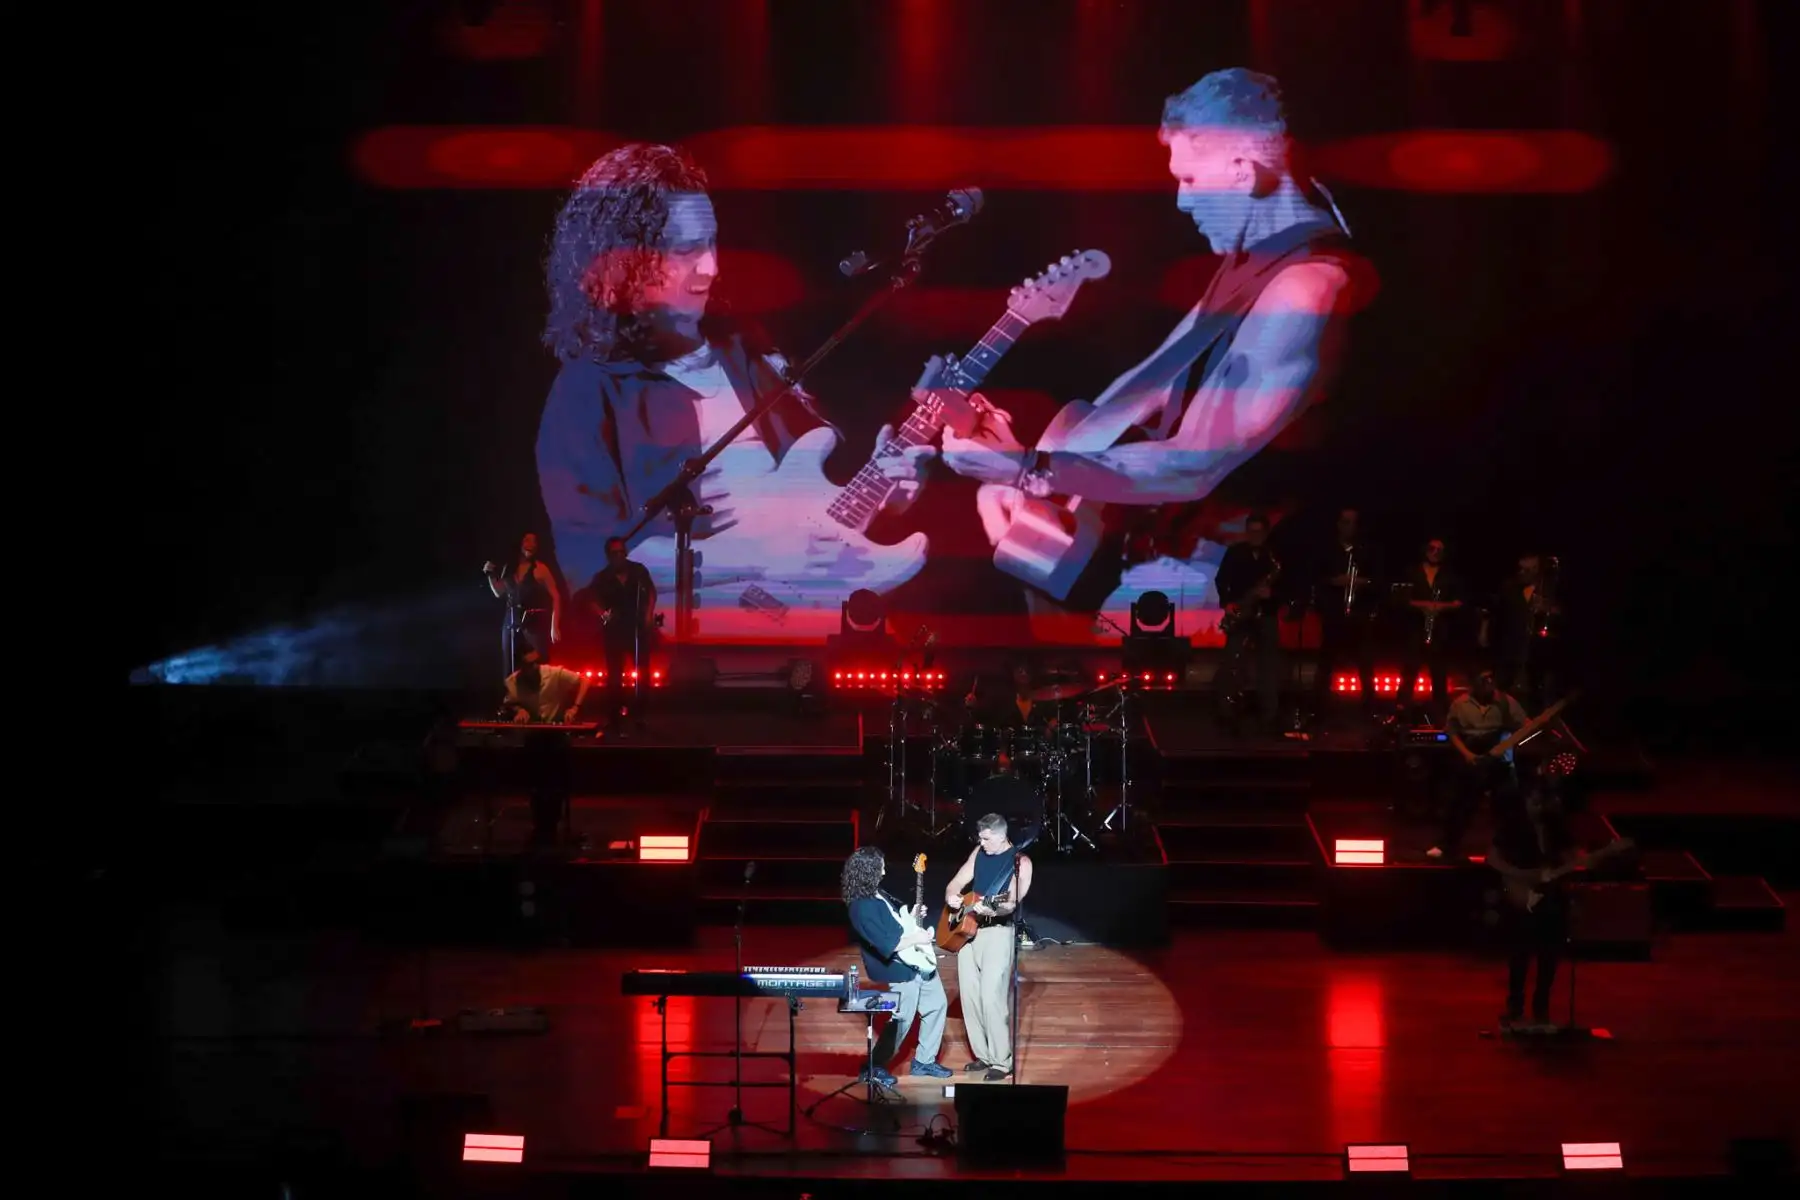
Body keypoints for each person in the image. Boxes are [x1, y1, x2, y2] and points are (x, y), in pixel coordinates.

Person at [934, 68, 1363, 622]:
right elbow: (1142, 386)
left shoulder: (1307, 286)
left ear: (1240, 170)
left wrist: (1027, 469)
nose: (1182, 202)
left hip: (1226, 586)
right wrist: (1035, 481)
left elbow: (1194, 467)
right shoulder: (1256, 254)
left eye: (1189, 179)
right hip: (1159, 551)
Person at [534, 143, 931, 630]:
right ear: (623, 265)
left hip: (816, 618)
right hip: (695, 632)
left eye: (710, 243)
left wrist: (886, 495)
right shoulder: (586, 393)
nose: (710, 268)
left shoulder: (744, 347)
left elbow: (817, 510)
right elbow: (597, 563)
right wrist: (758, 558)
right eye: (685, 251)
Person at [1486, 753, 1583, 1031]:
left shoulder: (1556, 826)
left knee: (1549, 954)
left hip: (1551, 897)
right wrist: (1521, 875)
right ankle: (1515, 1009)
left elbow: (1571, 856)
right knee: (1520, 954)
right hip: (1521, 896)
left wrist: (1572, 865)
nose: (1538, 807)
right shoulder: (1513, 827)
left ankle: (1541, 1010)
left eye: (1542, 802)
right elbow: (1493, 858)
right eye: (1534, 801)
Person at [841, 846, 953, 1085]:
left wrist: (912, 915)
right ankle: (873, 1067)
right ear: (869, 870)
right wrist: (919, 938)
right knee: (902, 1020)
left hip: (915, 961)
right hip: (899, 968)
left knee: (936, 1006)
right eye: (880, 866)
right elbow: (887, 944)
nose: (883, 871)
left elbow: (895, 925)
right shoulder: (862, 906)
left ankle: (924, 1061)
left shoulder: (877, 894)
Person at [943, 813, 1035, 1082]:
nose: (982, 843)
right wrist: (953, 896)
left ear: (1000, 835)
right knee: (970, 997)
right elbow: (956, 882)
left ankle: (1002, 1061)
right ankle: (983, 1055)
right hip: (968, 930)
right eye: (980, 838)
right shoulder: (978, 852)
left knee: (991, 997)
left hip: (997, 932)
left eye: (986, 838)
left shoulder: (1021, 862)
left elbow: (1011, 901)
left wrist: (994, 909)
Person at [1429, 666, 1527, 860]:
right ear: (1473, 682)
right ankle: (1447, 846)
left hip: (1499, 759)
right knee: (1460, 804)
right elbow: (1452, 732)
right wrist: (1467, 754)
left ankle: (1510, 849)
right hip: (1472, 755)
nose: (1488, 683)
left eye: (1490, 678)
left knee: (1508, 805)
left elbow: (1524, 725)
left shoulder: (1506, 702)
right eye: (1483, 679)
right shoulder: (1460, 704)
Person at [501, 649, 592, 846]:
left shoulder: (554, 673)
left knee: (556, 785)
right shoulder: (512, 682)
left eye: (536, 663)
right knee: (535, 786)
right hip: (533, 739)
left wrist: (574, 707)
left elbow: (584, 680)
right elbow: (510, 704)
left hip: (555, 738)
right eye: (528, 664)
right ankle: (541, 829)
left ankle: (553, 828)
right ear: (521, 667)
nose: (534, 668)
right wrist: (519, 709)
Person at [1214, 512, 1283, 732]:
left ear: (1266, 532)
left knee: (1268, 667)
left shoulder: (1276, 555)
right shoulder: (1235, 553)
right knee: (1231, 666)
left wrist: (1272, 593)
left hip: (1266, 615)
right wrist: (1228, 603)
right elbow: (1221, 580)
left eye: (1259, 531)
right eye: (1251, 531)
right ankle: (1227, 714)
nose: (1255, 535)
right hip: (1241, 615)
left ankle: (1268, 717)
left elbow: (1289, 585)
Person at [1310, 507, 1378, 718]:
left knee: (1365, 662)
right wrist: (1334, 581)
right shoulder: (1326, 550)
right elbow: (1317, 578)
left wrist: (1358, 582)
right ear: (1338, 524)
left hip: (1359, 612)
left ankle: (1370, 709)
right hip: (1334, 612)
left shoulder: (1365, 550)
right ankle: (1320, 708)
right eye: (1344, 522)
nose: (1348, 527)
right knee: (1327, 662)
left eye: (1352, 523)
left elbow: (1378, 580)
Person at [586, 536, 657, 732]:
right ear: (609, 556)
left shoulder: (638, 571)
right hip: (615, 630)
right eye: (614, 553)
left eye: (621, 552)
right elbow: (591, 599)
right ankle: (614, 716)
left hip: (637, 628)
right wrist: (602, 614)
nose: (619, 556)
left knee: (643, 674)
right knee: (615, 676)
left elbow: (651, 592)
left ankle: (640, 715)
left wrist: (649, 614)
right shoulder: (603, 577)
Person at [1481, 553, 1561, 712]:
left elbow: (1564, 613)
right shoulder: (1509, 587)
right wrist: (1484, 632)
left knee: (1535, 692)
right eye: (1522, 569)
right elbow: (1492, 611)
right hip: (1509, 645)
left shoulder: (1549, 588)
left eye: (1531, 570)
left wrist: (1547, 608)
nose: (1525, 573)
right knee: (1502, 687)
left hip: (1536, 649)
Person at [1396, 536, 1464, 722]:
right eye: (1431, 549)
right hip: (1415, 629)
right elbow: (1402, 600)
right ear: (1425, 550)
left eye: (1439, 550)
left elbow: (1459, 602)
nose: (1435, 553)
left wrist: (1440, 607)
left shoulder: (1450, 575)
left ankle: (1441, 715)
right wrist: (1423, 605)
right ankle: (1402, 712)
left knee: (1439, 673)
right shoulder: (1412, 572)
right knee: (1410, 670)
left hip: (1440, 630)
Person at [484, 532, 563, 673]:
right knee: (509, 668)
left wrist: (554, 626)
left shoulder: (541, 568)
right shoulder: (509, 568)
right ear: (520, 543)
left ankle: (534, 693)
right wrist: (490, 576)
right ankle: (512, 694)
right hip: (510, 622)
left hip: (532, 623)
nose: (531, 545)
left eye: (534, 542)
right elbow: (498, 592)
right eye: (527, 540)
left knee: (535, 666)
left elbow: (556, 596)